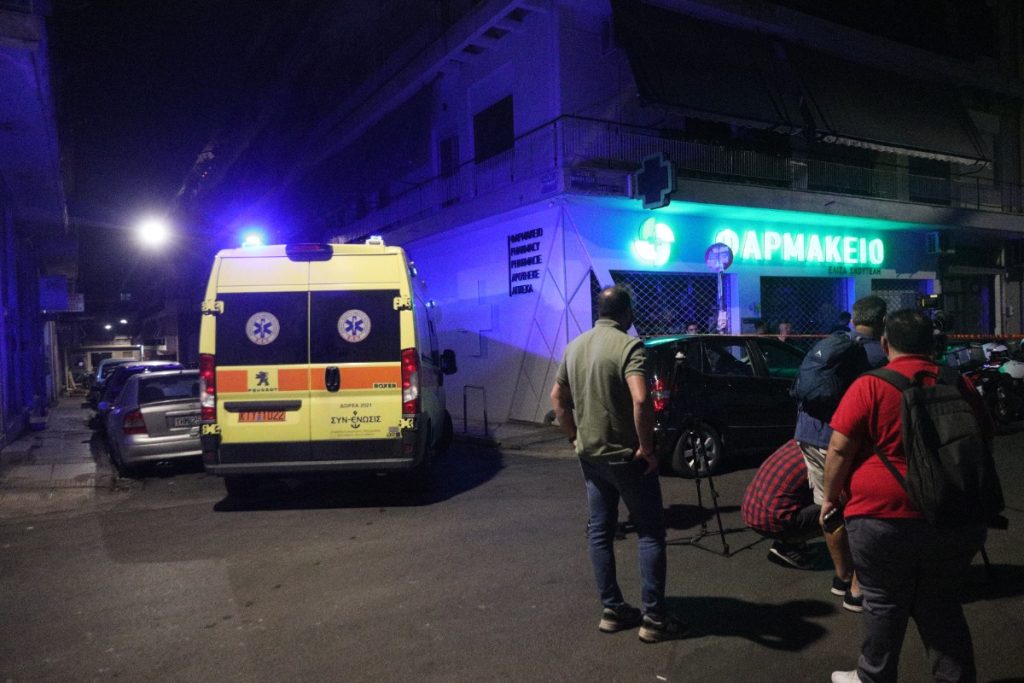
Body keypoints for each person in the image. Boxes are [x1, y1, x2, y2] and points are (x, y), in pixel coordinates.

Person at [823, 309, 992, 683]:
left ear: (885, 344)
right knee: (942, 603)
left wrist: (830, 498)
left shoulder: (870, 385)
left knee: (883, 601)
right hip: (952, 513)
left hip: (881, 516)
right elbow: (983, 440)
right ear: (932, 344)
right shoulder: (958, 383)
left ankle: (873, 677)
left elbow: (839, 449)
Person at [550, 284, 687, 643]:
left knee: (600, 531)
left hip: (591, 457)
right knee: (650, 532)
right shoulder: (629, 347)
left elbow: (557, 399)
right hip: (627, 457)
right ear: (627, 313)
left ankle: (613, 609)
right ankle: (654, 618)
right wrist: (648, 448)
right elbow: (641, 399)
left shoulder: (574, 347)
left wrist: (574, 437)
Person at [795, 295, 887, 612]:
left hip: (807, 435)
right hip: (843, 441)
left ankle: (842, 576)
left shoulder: (831, 344)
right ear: (882, 322)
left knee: (828, 505)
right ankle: (859, 588)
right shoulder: (878, 355)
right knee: (862, 513)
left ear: (854, 319)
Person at [741, 439, 821, 570]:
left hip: (751, 511)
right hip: (772, 519)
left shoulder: (795, 443)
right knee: (835, 510)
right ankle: (789, 542)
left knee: (803, 491)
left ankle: (791, 542)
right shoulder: (818, 457)